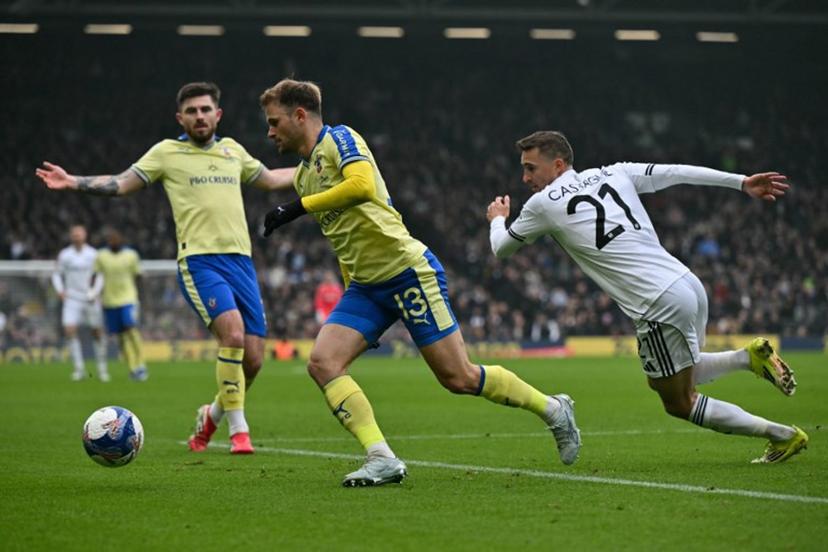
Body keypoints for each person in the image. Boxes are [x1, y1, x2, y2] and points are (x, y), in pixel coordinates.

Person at [259, 78, 581, 487]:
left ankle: (554, 409)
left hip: (406, 271)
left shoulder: (339, 140)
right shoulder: (305, 175)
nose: (270, 132)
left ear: (299, 115)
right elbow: (342, 242)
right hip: (364, 287)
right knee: (323, 363)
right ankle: (381, 457)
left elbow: (359, 186)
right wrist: (351, 295)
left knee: (458, 378)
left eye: (274, 122)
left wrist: (295, 208)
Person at [486, 130, 806, 464]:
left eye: (530, 168)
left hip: (657, 303)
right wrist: (740, 182)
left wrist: (498, 220)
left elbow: (501, 249)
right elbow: (676, 172)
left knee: (680, 402)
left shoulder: (542, 205)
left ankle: (782, 435)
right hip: (688, 284)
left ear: (557, 164)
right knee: (675, 374)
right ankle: (747, 358)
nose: (524, 178)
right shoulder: (615, 172)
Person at [36, 82, 296, 454]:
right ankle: (240, 431)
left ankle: (211, 416)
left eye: (206, 109)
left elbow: (270, 179)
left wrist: (316, 168)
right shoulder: (167, 152)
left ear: (217, 114)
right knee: (233, 336)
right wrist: (73, 181)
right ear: (181, 118)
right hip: (200, 262)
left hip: (242, 261)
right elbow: (123, 183)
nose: (200, 116)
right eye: (191, 111)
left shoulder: (232, 150)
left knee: (253, 361)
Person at [52, 224, 109, 382]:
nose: (77, 236)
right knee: (70, 330)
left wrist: (95, 292)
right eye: (74, 234)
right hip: (71, 297)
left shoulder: (93, 254)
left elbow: (100, 275)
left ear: (85, 235)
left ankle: (102, 369)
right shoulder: (65, 255)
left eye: (79, 233)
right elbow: (56, 275)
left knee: (97, 332)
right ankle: (79, 369)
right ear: (71, 236)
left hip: (90, 297)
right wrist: (60, 290)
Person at [94, 227, 148, 382]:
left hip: (128, 299)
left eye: (115, 239)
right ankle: (132, 368)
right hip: (109, 301)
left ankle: (141, 364)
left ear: (121, 241)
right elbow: (95, 276)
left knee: (130, 327)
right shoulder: (101, 256)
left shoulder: (131, 255)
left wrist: (142, 299)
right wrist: (94, 293)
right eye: (110, 240)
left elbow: (139, 277)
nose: (113, 242)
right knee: (121, 336)